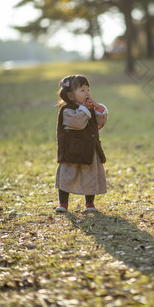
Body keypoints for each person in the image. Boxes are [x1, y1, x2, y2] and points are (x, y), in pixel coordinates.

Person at [55, 74, 108, 213]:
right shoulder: (67, 110)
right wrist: (85, 110)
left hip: (89, 149)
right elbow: (77, 123)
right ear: (71, 95)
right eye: (82, 90)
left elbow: (99, 123)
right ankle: (63, 203)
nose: (87, 93)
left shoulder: (89, 109)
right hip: (71, 149)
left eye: (88, 89)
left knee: (90, 175)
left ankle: (90, 203)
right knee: (67, 175)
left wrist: (97, 108)